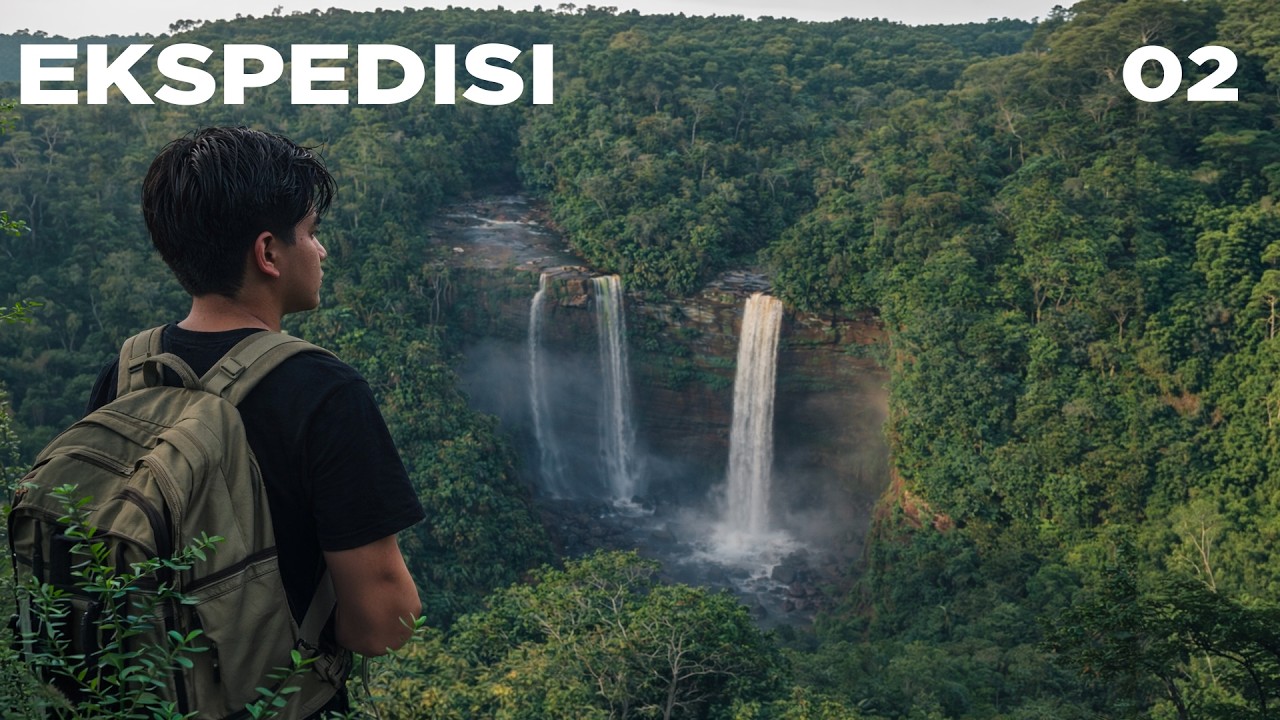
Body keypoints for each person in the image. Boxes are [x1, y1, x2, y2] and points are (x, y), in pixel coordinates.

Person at [84, 126, 425, 717]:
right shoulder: (324, 392)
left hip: (136, 698)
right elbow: (382, 625)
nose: (321, 251)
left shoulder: (125, 373)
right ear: (268, 254)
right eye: (311, 233)